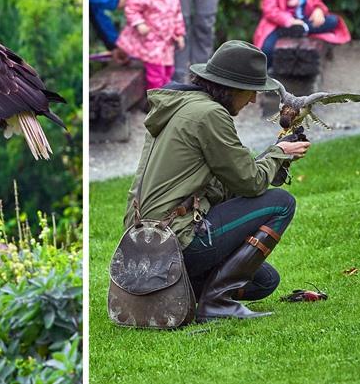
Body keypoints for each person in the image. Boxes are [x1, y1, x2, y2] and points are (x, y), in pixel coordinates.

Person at [123, 40, 311, 321]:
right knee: (282, 203)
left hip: (141, 245)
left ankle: (174, 292)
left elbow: (227, 186)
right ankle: (216, 304)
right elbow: (250, 184)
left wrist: (275, 159)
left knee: (264, 281)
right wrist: (278, 154)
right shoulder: (210, 114)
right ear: (232, 87)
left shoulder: (181, 106)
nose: (253, 100)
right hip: (174, 240)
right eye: (251, 92)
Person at [115, 0, 186, 90]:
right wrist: (139, 23)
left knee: (168, 70)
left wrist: (179, 34)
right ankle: (156, 98)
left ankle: (166, 96)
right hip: (151, 40)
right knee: (155, 72)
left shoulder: (173, 0)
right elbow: (131, 9)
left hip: (167, 42)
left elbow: (178, 17)